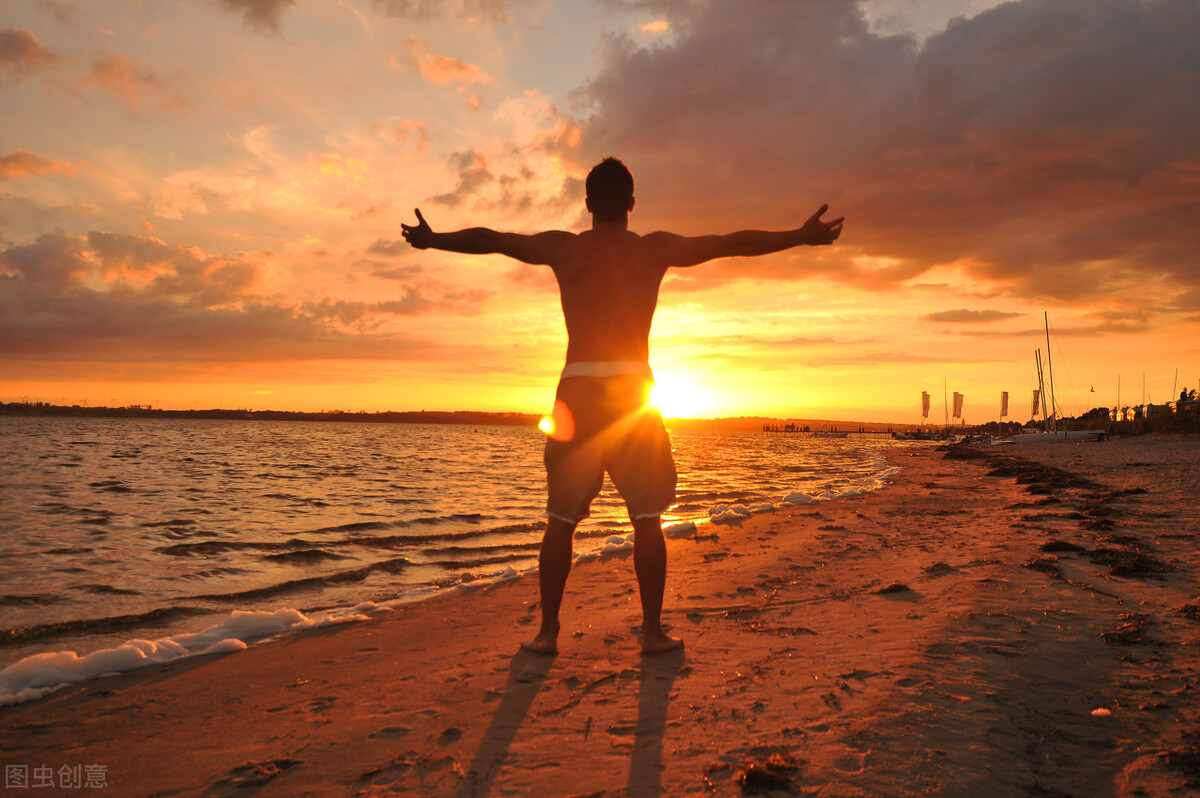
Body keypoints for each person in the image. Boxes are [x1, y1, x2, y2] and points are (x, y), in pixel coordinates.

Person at [402, 157, 843, 655]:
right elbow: (729, 244)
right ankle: (651, 633)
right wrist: (799, 235)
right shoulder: (653, 250)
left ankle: (547, 634)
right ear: (632, 204)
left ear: (587, 204)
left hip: (579, 389)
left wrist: (433, 239)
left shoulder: (563, 248)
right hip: (634, 392)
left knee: (561, 519)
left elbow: (493, 238)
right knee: (647, 518)